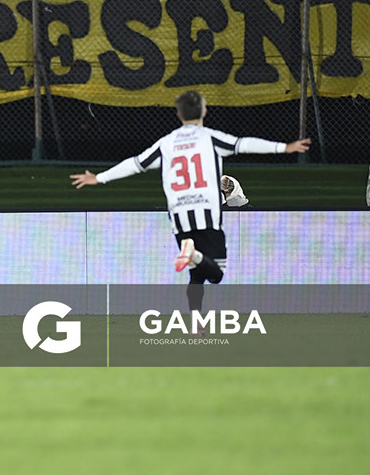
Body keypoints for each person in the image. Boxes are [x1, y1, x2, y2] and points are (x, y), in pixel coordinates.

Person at [70, 90, 310, 314]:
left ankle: (196, 322)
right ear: (204, 112)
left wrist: (98, 178)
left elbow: (135, 163)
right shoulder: (211, 138)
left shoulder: (166, 143)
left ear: (179, 115)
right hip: (206, 213)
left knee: (196, 276)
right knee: (216, 274)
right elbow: (242, 144)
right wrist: (284, 147)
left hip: (180, 217)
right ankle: (193, 256)